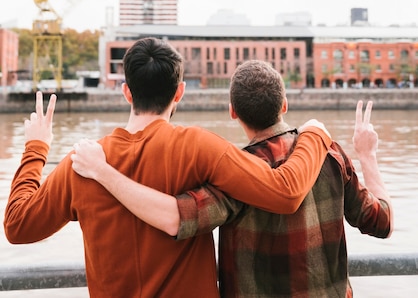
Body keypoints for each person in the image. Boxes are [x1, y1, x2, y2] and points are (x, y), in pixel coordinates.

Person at [4, 38, 332, 298]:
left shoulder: (83, 163)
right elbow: (284, 192)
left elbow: (18, 226)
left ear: (126, 92)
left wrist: (37, 147)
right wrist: (314, 134)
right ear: (180, 92)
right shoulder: (198, 148)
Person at [71, 59, 393, 298]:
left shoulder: (233, 176)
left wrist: (103, 172)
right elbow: (382, 222)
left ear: (233, 112)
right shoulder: (331, 155)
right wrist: (367, 154)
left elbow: (174, 217)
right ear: (284, 104)